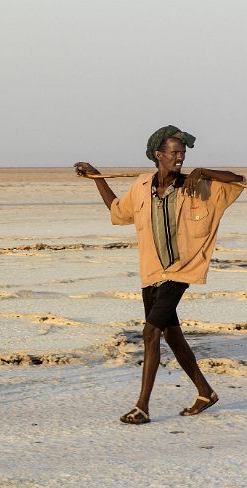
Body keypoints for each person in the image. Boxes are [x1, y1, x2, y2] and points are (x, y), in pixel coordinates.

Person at [74, 125, 245, 424]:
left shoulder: (197, 185)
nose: (180, 158)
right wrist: (96, 177)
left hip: (179, 270)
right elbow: (117, 210)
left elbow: (240, 180)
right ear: (158, 155)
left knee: (150, 333)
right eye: (174, 153)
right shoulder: (141, 186)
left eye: (183, 153)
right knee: (171, 334)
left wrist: (203, 171)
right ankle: (205, 391)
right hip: (151, 272)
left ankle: (142, 406)